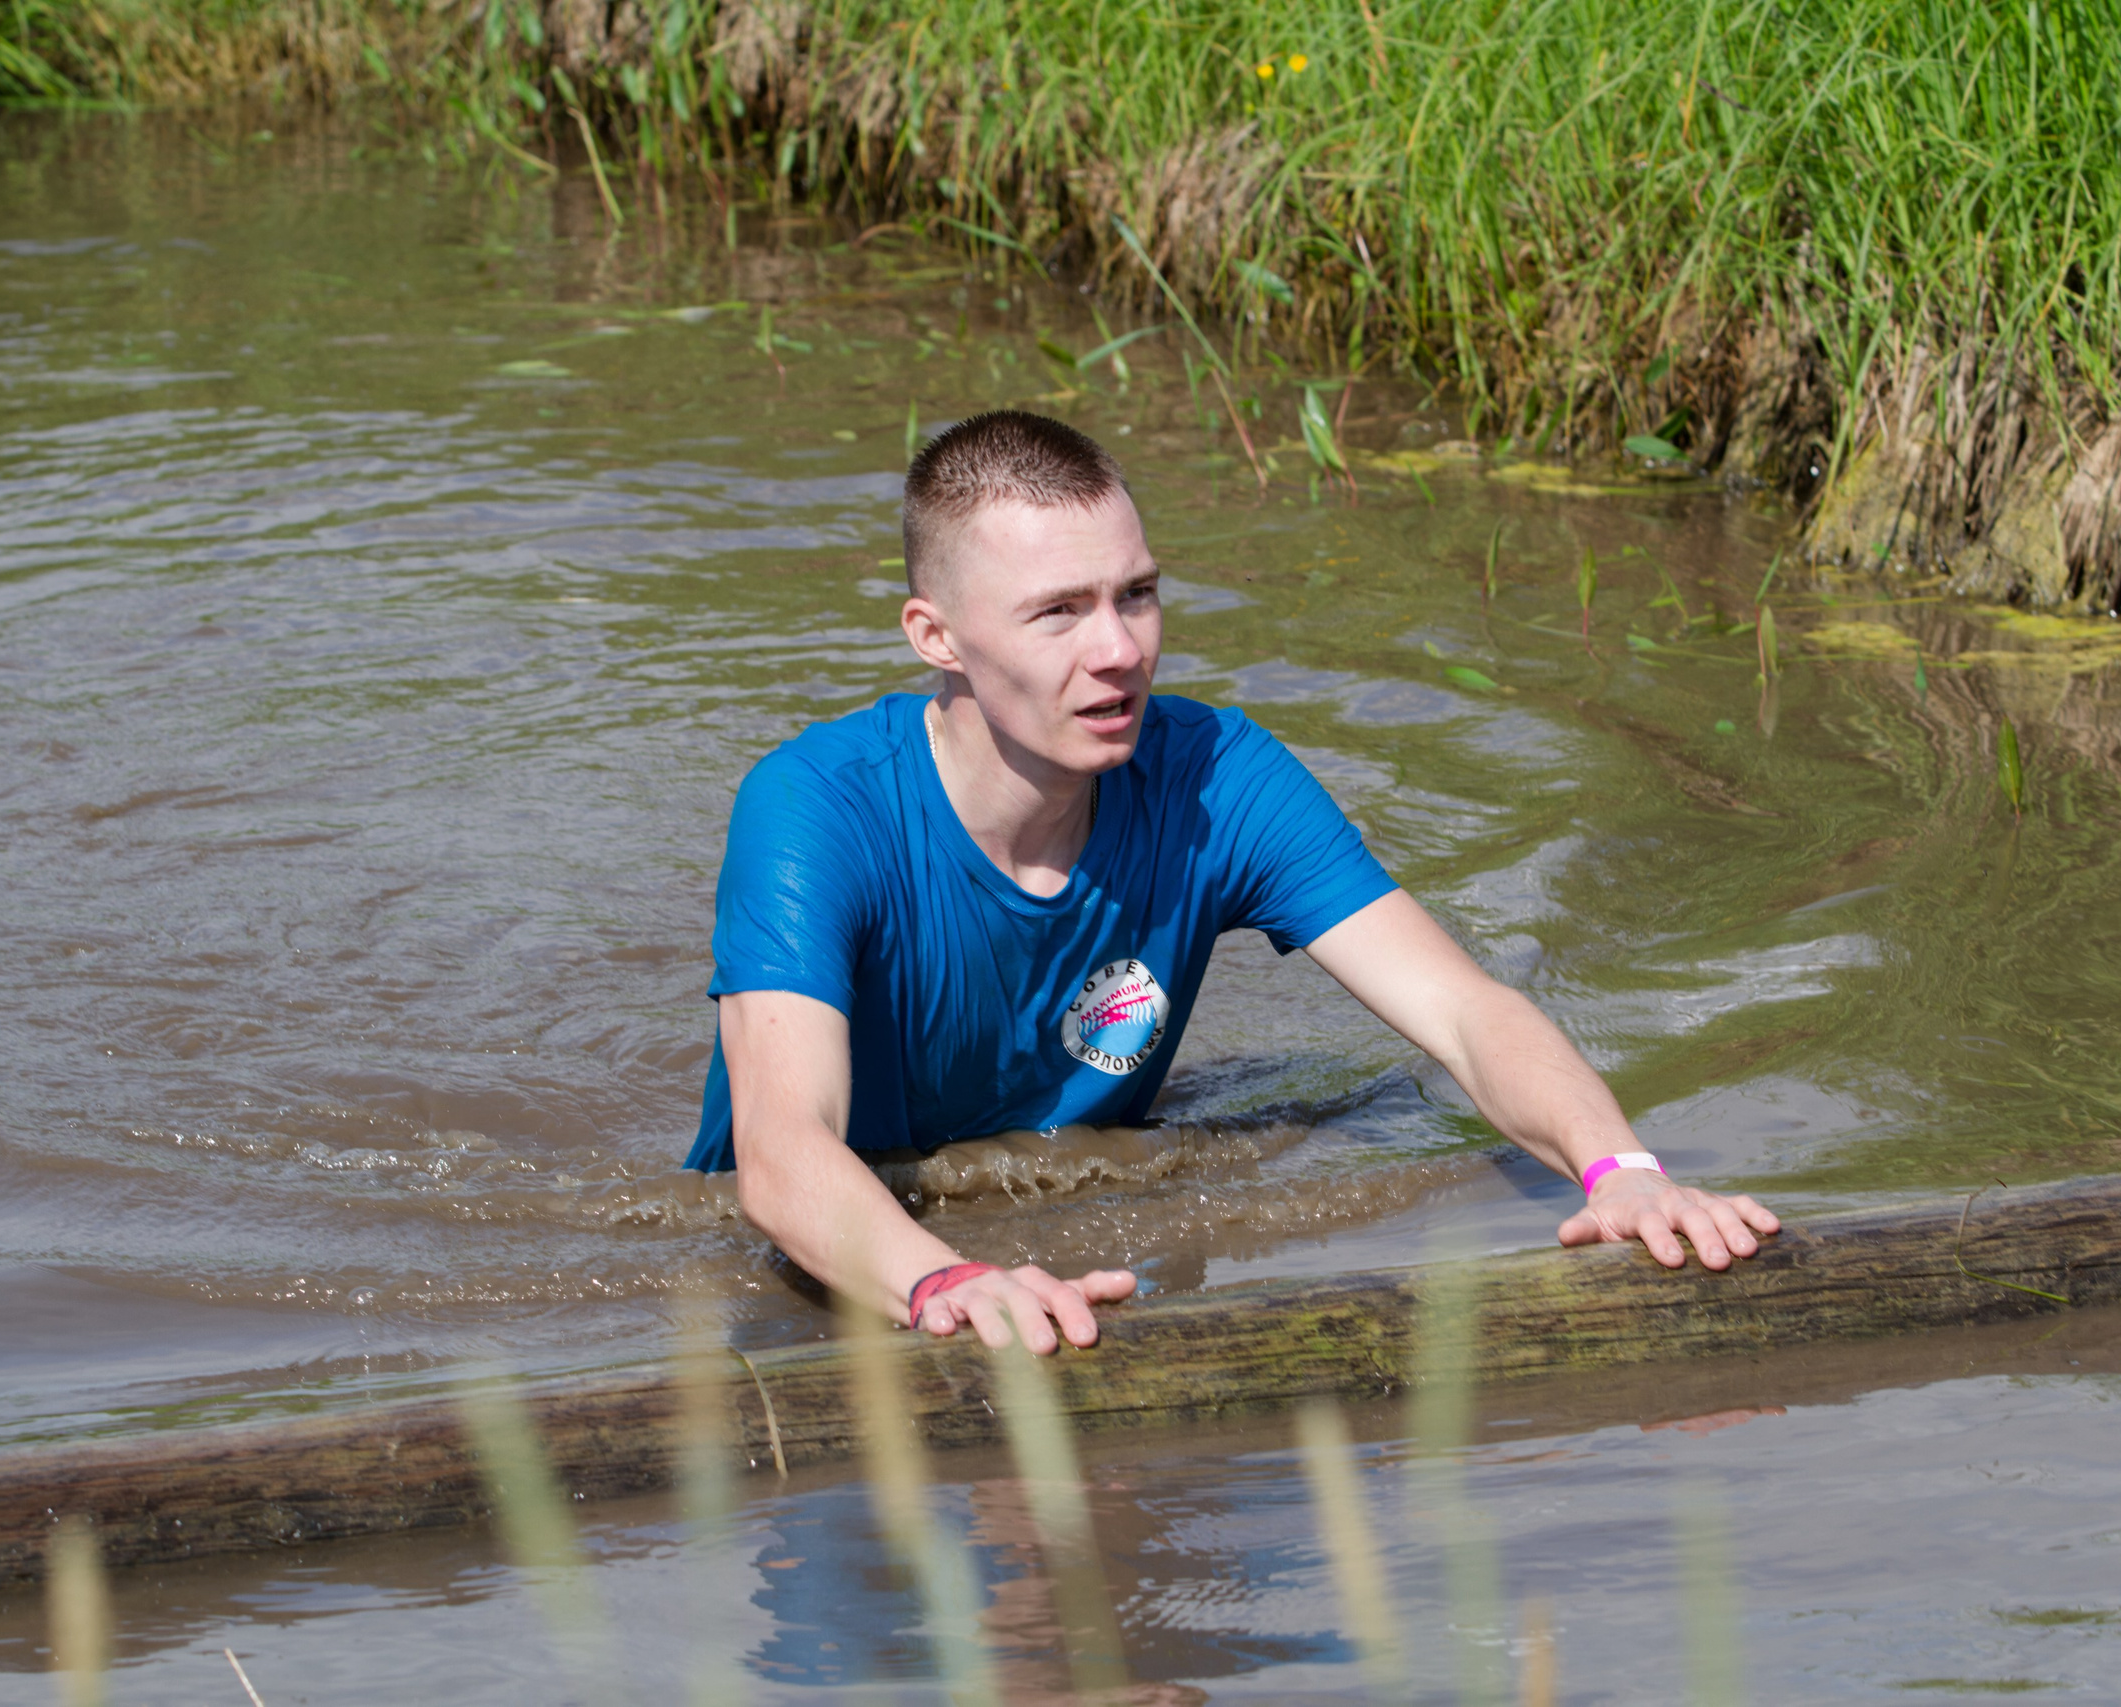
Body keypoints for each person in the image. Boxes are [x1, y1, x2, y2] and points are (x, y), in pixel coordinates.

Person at [685, 410, 1778, 1354]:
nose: (1118, 650)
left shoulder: (1217, 776)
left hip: (1070, 1247)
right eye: (1057, 611)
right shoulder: (814, 808)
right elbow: (783, 1157)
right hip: (825, 1270)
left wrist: (1620, 1170)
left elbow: (1464, 1009)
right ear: (937, 637)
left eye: (1138, 595)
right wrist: (950, 1283)